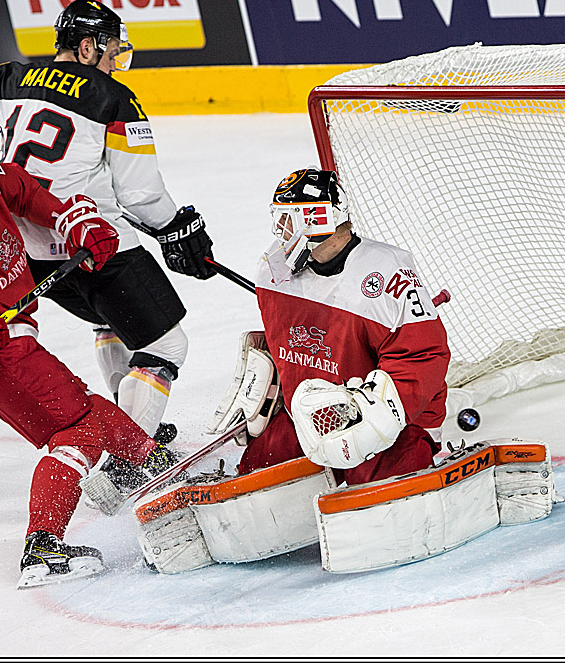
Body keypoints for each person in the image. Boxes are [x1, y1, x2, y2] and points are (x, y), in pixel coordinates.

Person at [0, 101, 178, 589]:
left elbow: (16, 187)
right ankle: (41, 549)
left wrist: (69, 219)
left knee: (79, 405)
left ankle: (142, 459)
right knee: (76, 432)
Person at [127, 168, 456, 574]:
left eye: (288, 218)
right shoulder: (275, 270)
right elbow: (285, 347)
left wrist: (374, 415)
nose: (280, 230)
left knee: (371, 487)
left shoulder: (386, 274)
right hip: (307, 417)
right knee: (256, 475)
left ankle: (409, 463)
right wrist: (263, 389)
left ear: (316, 219)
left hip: (387, 422)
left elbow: (422, 358)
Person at [0, 0, 216, 485]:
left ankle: (125, 428)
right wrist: (179, 228)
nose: (116, 62)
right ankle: (130, 456)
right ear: (87, 46)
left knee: (107, 319)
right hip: (89, 243)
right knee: (166, 343)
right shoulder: (114, 98)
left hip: (22, 253)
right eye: (112, 51)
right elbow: (141, 197)